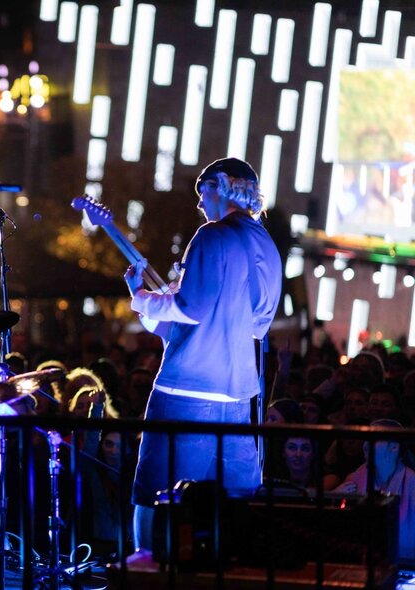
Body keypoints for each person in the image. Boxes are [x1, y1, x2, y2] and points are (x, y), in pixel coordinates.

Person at [123, 157, 282, 555]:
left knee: (156, 492)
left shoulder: (211, 235)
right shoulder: (266, 243)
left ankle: (144, 570)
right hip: (239, 393)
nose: (200, 204)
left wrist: (142, 298)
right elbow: (258, 322)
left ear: (219, 186)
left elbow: (192, 306)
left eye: (202, 193)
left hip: (186, 388)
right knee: (236, 500)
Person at [332, 419, 415, 563]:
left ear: (394, 447)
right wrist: (335, 499)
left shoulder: (413, 484)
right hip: (361, 562)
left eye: (373, 439)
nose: (365, 445)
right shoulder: (354, 480)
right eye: (365, 440)